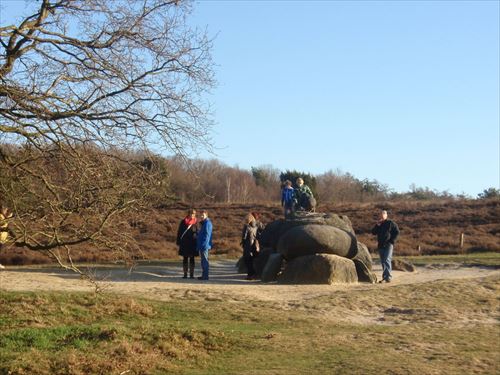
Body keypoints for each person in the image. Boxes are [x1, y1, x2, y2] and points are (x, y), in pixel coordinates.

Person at [371, 210, 400, 283]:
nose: (381, 216)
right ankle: (385, 277)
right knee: (383, 261)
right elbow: (373, 232)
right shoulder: (379, 224)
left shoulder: (390, 223)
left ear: (386, 215)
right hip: (380, 245)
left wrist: (392, 241)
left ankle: (387, 277)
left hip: (388, 244)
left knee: (387, 259)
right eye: (380, 215)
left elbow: (397, 232)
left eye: (383, 215)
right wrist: (377, 226)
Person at [176, 209, 198, 279]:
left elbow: (198, 232)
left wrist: (196, 235)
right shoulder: (183, 222)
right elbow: (179, 232)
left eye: (193, 214)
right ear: (188, 214)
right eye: (191, 214)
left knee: (192, 258)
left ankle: (191, 274)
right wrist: (178, 241)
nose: (192, 215)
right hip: (184, 243)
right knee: (185, 258)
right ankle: (185, 274)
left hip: (192, 243)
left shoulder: (196, 223)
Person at [241, 213, 259, 280]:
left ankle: (251, 274)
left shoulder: (247, 226)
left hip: (248, 245)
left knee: (247, 260)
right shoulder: (256, 226)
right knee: (251, 260)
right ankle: (252, 275)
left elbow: (244, 237)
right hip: (254, 245)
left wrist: (243, 243)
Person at [196, 210, 213, 281]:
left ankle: (205, 276)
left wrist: (203, 244)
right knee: (203, 260)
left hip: (204, 245)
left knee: (205, 260)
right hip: (202, 244)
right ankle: (204, 275)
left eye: (203, 215)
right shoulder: (204, 223)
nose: (202, 217)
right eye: (201, 215)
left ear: (206, 215)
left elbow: (207, 235)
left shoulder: (207, 223)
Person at [0, 205, 13, 270]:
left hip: (3, 237)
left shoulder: (4, 217)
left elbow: (7, 226)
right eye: (5, 210)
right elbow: (2, 223)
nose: (6, 211)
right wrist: (9, 218)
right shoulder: (1, 216)